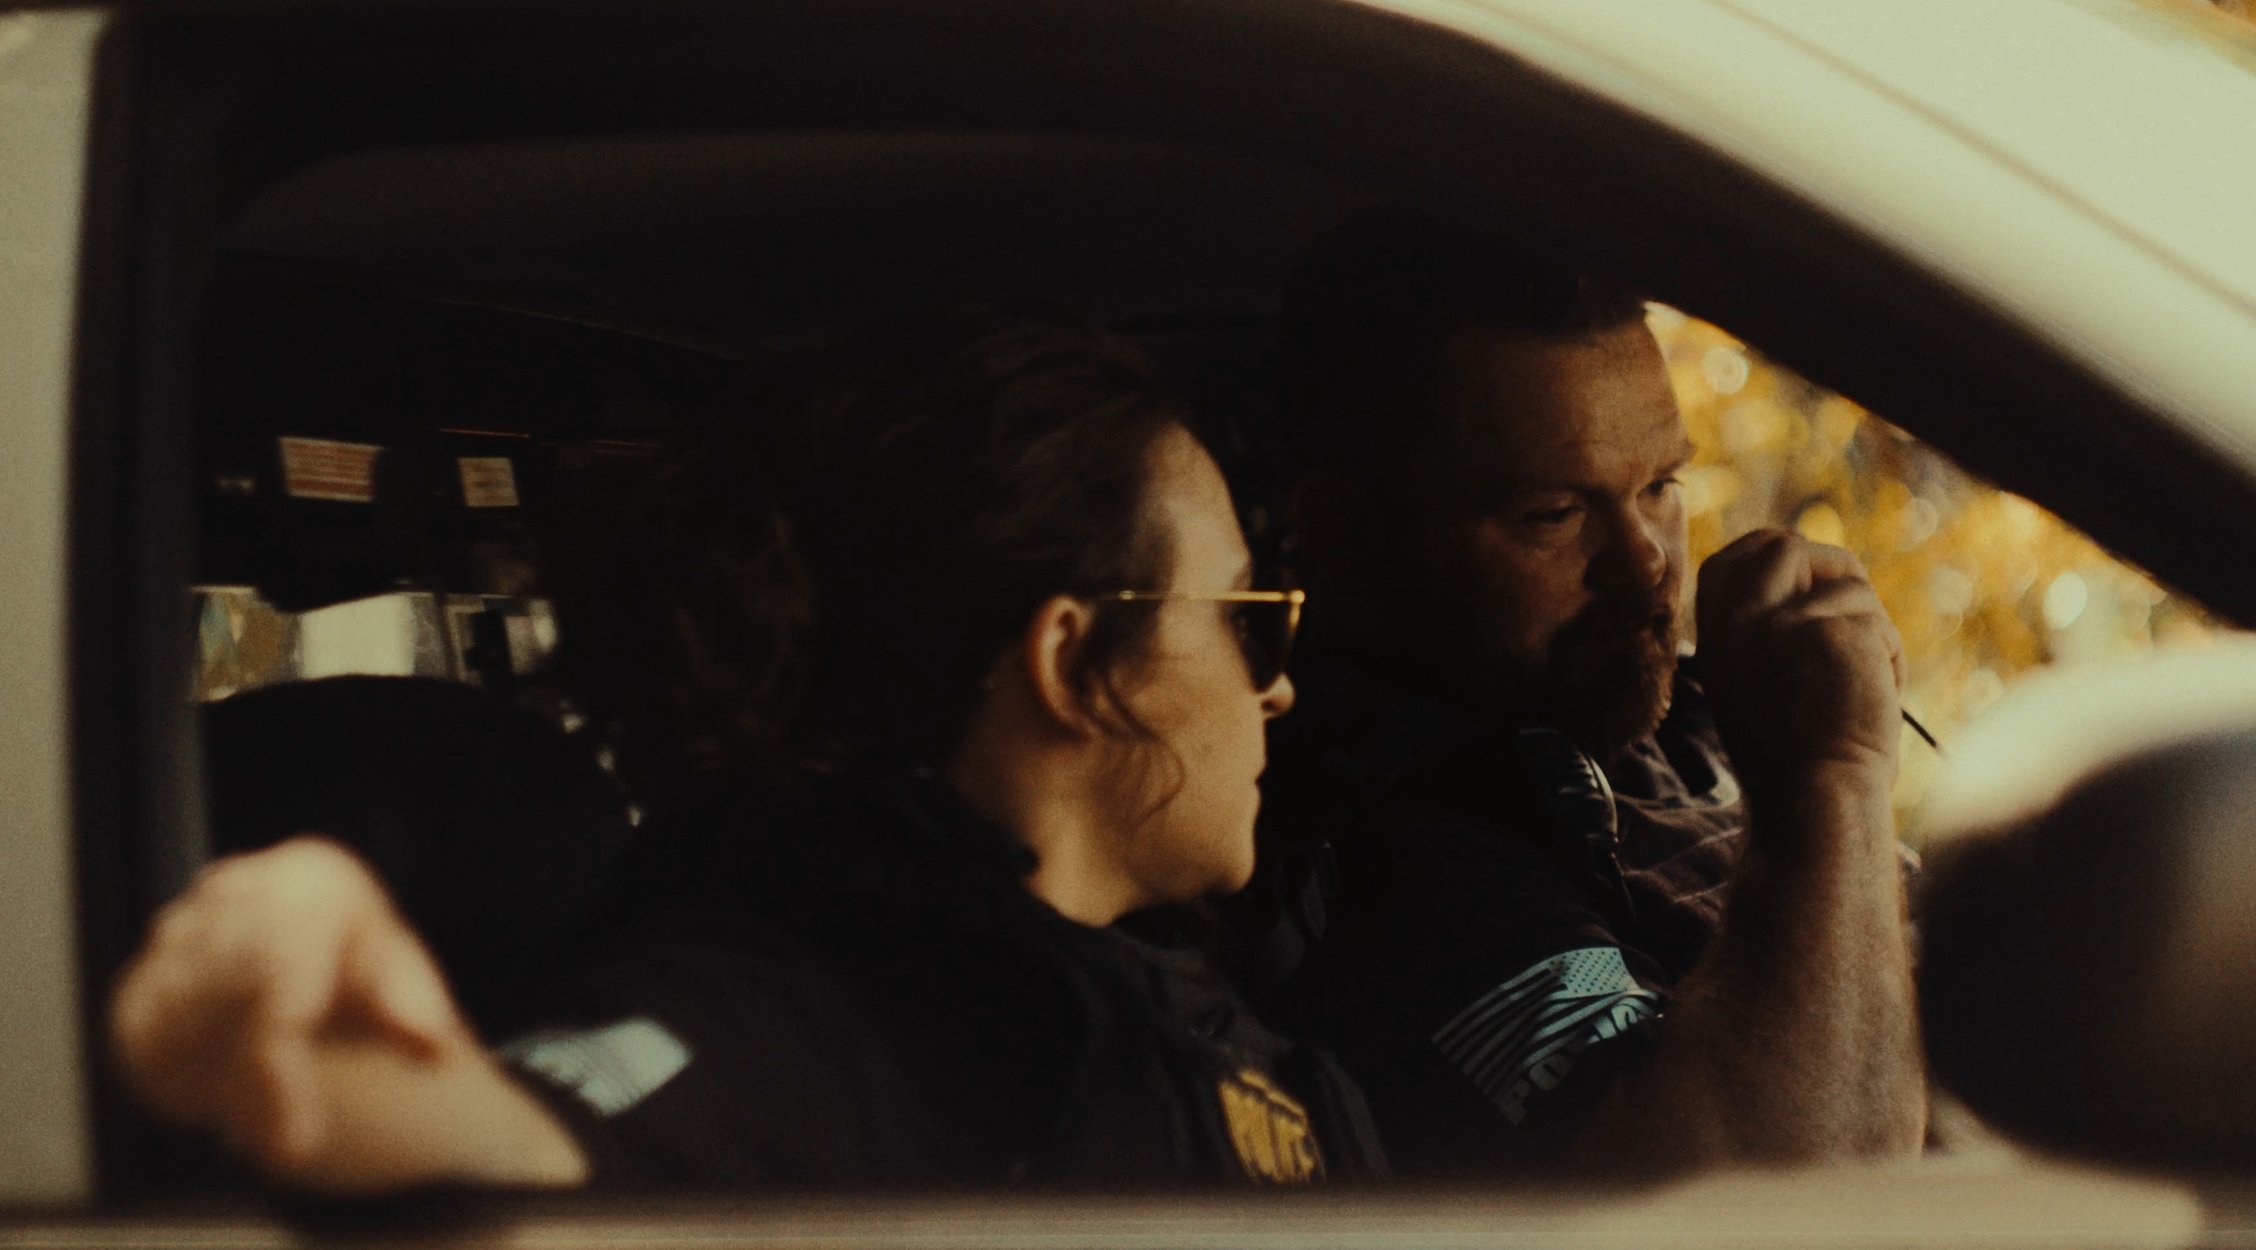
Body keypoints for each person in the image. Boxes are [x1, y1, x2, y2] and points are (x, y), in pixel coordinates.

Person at [110, 314, 1383, 1193]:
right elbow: (533, 1152)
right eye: (1243, 618)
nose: (1274, 690)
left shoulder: (1100, 975)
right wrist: (317, 1041)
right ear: (1075, 663)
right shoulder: (797, 1006)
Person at [1237, 209, 1926, 1176]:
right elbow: (1784, 1203)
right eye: (1554, 514)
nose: (1646, 565)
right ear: (1348, 535)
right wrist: (1835, 782)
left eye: (1660, 487)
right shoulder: (1390, 870)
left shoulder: (1671, 723)